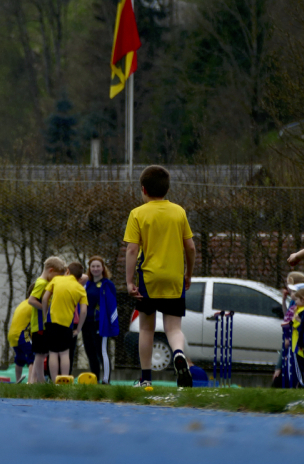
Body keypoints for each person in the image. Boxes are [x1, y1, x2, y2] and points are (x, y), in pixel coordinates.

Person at [124, 165, 196, 388]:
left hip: (149, 279)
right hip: (174, 278)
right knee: (173, 328)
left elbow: (132, 250)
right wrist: (188, 274)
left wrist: (129, 281)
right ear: (167, 189)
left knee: (146, 328)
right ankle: (178, 354)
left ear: (143, 189)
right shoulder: (179, 212)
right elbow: (191, 247)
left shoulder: (137, 214)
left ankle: (146, 379)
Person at [41, 262, 88, 383]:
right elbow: (83, 311)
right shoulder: (80, 289)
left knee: (53, 353)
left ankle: (54, 381)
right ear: (79, 277)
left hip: (52, 321)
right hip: (67, 324)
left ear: (67, 271)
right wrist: (78, 328)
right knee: (64, 353)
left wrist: (45, 314)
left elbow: (45, 298)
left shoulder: (56, 280)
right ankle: (65, 380)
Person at [27, 257, 66, 384]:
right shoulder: (42, 283)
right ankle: (41, 380)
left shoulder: (44, 283)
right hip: (40, 325)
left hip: (43, 325)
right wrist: (47, 309)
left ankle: (34, 380)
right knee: (40, 354)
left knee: (42, 353)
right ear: (51, 270)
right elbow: (31, 300)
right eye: (57, 275)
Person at [83, 256, 119, 384]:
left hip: (100, 323)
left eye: (98, 266)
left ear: (103, 268)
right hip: (86, 323)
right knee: (90, 352)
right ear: (89, 268)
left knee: (102, 351)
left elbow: (112, 305)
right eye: (93, 266)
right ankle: (95, 379)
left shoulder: (107, 284)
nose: (95, 269)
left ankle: (106, 380)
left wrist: (112, 325)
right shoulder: (87, 284)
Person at [7, 286, 35, 382]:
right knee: (33, 356)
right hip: (22, 334)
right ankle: (31, 382)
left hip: (12, 335)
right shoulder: (34, 305)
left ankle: (17, 380)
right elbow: (35, 325)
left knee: (20, 359)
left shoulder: (23, 303)